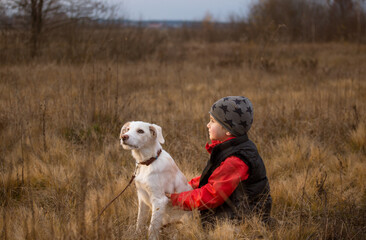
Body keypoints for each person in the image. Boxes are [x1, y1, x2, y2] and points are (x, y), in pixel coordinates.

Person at [166, 96, 272, 227]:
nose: (207, 125)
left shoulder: (235, 160)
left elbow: (212, 195)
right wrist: (186, 186)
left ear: (228, 130)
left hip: (243, 218)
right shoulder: (233, 147)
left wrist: (177, 200)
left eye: (212, 121)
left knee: (196, 226)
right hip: (235, 208)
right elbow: (214, 177)